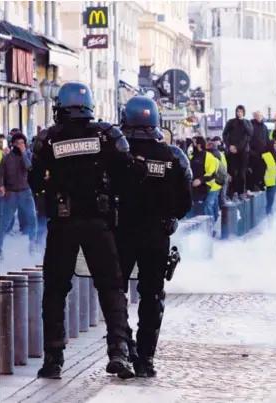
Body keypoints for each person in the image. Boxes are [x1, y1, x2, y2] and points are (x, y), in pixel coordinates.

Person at [29, 82, 146, 380]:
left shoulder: (48, 140)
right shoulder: (107, 136)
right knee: (111, 288)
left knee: (55, 291)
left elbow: (36, 183)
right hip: (98, 223)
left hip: (63, 225)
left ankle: (53, 360)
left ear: (60, 107)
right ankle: (119, 350)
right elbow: (128, 176)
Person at [117, 96, 192, 377]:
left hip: (121, 232)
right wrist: (169, 217)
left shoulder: (118, 154)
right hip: (156, 235)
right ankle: (146, 359)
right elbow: (185, 200)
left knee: (116, 294)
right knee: (152, 296)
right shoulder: (173, 156)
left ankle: (124, 349)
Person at [0, 132, 38, 257]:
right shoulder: (6, 158)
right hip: (11, 193)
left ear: (25, 144)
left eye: (22, 143)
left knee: (32, 219)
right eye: (17, 143)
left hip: (25, 192)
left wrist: (23, 153)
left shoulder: (28, 156)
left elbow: (29, 167)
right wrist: (1, 186)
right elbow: (1, 174)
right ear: (12, 144)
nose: (19, 145)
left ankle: (32, 245)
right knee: (4, 222)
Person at [222, 105, 252, 198]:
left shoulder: (247, 122)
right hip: (232, 151)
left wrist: (243, 121)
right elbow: (225, 134)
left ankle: (241, 192)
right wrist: (229, 146)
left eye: (241, 112)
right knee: (233, 172)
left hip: (243, 152)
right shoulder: (231, 122)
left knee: (242, 172)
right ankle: (233, 192)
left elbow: (250, 133)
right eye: (238, 111)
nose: (239, 113)